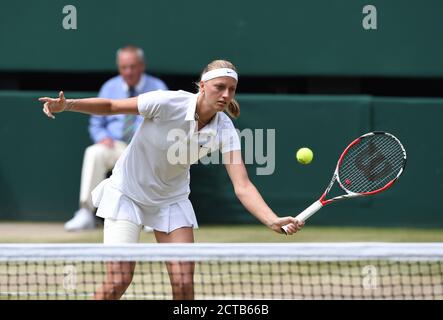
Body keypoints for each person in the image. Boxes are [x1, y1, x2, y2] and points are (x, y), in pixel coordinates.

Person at [39, 59, 304, 300]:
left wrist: (271, 219)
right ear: (202, 86)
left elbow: (242, 185)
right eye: (219, 87)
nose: (225, 94)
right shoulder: (167, 102)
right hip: (127, 194)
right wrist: (69, 105)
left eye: (231, 89)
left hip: (171, 202)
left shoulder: (225, 129)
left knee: (183, 284)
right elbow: (111, 105)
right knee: (117, 282)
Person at [64, 46, 168, 231]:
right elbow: (97, 123)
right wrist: (102, 137)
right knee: (94, 152)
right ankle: (86, 212)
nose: (128, 72)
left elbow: (165, 124)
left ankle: (152, 214)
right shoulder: (109, 87)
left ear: (142, 66)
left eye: (132, 67)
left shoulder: (158, 88)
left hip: (146, 146)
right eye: (124, 67)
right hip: (116, 145)